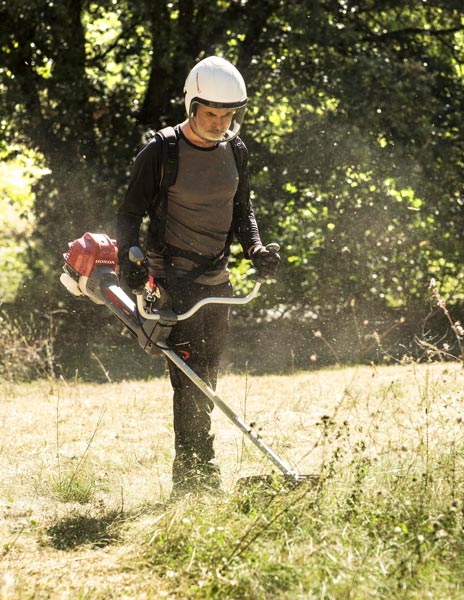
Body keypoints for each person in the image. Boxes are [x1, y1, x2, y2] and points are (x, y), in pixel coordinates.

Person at [116, 56, 280, 495]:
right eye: (211, 113)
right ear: (191, 104)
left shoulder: (236, 149)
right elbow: (129, 213)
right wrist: (128, 256)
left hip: (217, 283)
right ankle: (194, 476)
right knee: (188, 378)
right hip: (171, 282)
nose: (219, 122)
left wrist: (257, 249)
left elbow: (242, 209)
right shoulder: (162, 151)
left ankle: (198, 472)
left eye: (228, 114)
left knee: (206, 377)